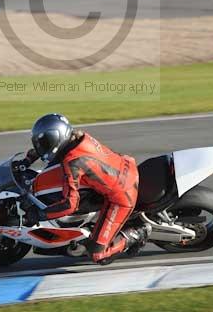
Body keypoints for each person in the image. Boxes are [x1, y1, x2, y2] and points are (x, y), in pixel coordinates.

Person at [21, 113, 151, 264]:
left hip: (123, 195)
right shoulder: (78, 136)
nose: (40, 147)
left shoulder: (73, 163)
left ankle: (138, 232)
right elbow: (48, 150)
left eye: (45, 142)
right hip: (124, 166)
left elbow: (70, 204)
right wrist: (27, 160)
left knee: (98, 255)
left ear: (56, 139)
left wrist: (39, 214)